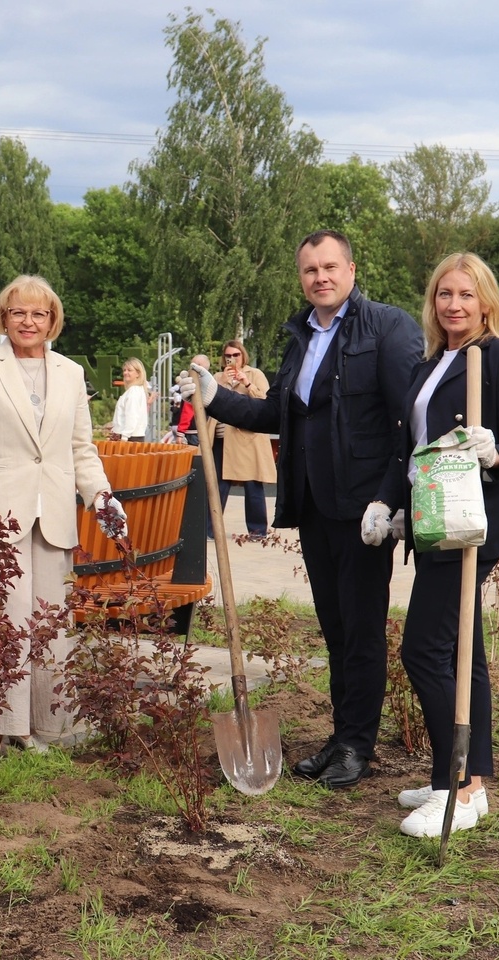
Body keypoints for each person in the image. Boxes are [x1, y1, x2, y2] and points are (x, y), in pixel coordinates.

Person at [178, 229, 423, 788]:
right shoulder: (301, 336)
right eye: (311, 270)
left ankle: (358, 745)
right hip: (313, 504)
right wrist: (215, 396)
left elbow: (407, 424)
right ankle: (342, 736)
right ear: (302, 277)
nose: (321, 277)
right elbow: (278, 414)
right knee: (335, 628)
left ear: (352, 270)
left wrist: (391, 499)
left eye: (331, 267)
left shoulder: (387, 328)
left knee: (361, 629)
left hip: (365, 510)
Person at [361, 252, 499, 837]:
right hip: (433, 519)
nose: (454, 305)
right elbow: (404, 450)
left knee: (425, 651)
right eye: (443, 295)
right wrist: (387, 503)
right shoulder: (428, 364)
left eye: (465, 294)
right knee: (466, 656)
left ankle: (452, 786)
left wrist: (494, 454)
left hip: (470, 521)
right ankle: (470, 784)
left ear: (486, 302)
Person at [0, 275, 127, 760]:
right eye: (18, 312)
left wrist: (102, 497)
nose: (29, 321)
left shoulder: (68, 372)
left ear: (53, 321)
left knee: (48, 626)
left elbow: (80, 449)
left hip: (53, 517)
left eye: (39, 314)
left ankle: (37, 727)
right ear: (3, 318)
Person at [208, 340, 276, 540]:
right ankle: (210, 530)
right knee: (217, 485)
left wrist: (246, 382)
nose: (232, 359)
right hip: (221, 438)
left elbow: (266, 402)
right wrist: (225, 384)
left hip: (246, 439)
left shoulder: (255, 374)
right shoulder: (218, 377)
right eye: (228, 355)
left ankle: (257, 531)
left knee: (252, 483)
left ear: (243, 355)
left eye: (236, 355)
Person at [111, 358, 150, 442]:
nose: (125, 373)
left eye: (129, 370)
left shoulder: (134, 391)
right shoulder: (137, 390)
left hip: (129, 438)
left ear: (138, 374)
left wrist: (124, 437)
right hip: (131, 436)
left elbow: (132, 415)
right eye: (124, 370)